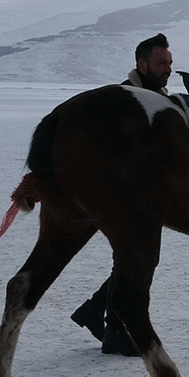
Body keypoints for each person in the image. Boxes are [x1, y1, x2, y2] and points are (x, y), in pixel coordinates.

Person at [69, 34, 175, 356]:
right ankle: (116, 331)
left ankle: (93, 311)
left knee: (136, 259)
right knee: (136, 259)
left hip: (141, 195)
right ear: (141, 64)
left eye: (170, 63)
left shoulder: (156, 97)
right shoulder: (125, 99)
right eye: (161, 63)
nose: (168, 69)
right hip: (118, 195)